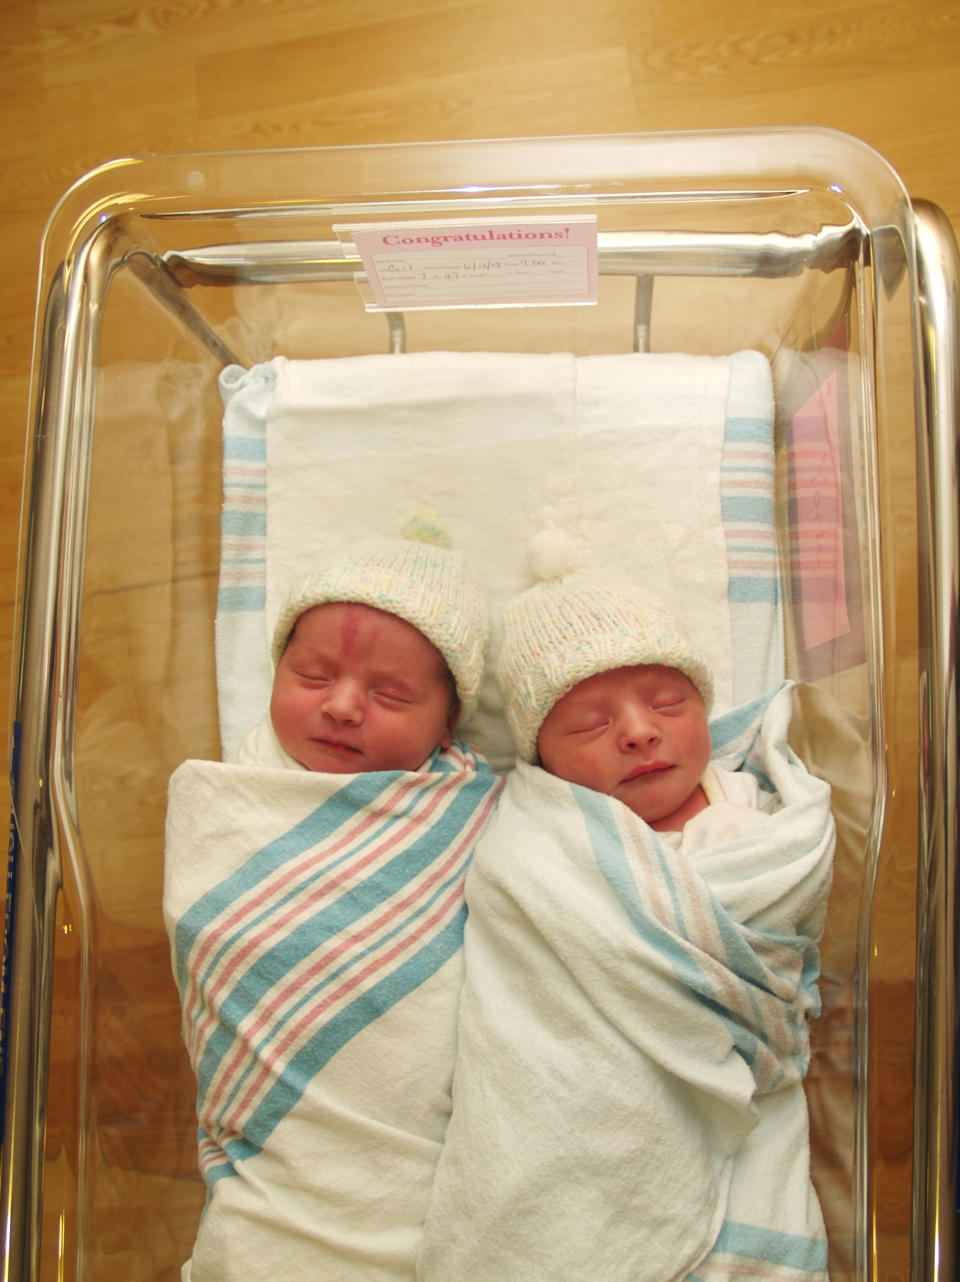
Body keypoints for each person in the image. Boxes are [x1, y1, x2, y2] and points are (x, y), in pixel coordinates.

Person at [417, 540, 834, 1282]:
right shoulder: (540, 842)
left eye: (669, 703)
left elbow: (781, 933)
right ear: (541, 759)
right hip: (567, 1102)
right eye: (588, 725)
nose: (640, 731)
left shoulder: (762, 823)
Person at [164, 525, 504, 1282]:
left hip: (422, 1176)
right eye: (314, 676)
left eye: (389, 694)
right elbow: (213, 930)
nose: (344, 706)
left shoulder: (468, 811)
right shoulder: (233, 803)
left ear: (448, 722)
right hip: (280, 1179)